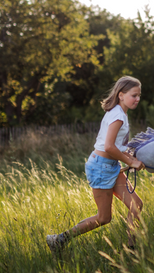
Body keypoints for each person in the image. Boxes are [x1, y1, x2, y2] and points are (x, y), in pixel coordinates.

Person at [46, 76, 145, 252]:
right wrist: (131, 161)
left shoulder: (119, 112)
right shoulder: (117, 116)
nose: (137, 99)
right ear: (121, 95)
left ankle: (132, 250)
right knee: (104, 217)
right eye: (134, 95)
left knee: (135, 205)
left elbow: (115, 146)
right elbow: (108, 147)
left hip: (110, 165)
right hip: (101, 167)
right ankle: (60, 239)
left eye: (139, 95)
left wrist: (133, 157)